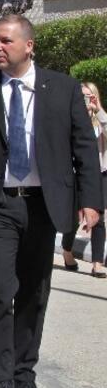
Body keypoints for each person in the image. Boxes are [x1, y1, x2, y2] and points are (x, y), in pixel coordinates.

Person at [0, 14, 101, 388]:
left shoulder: (62, 89)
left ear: (28, 46)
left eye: (5, 41)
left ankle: (23, 374)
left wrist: (91, 200)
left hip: (43, 204)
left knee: (35, 291)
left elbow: (84, 148)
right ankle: (1, 380)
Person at [60, 82, 107, 278]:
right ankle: (67, 250)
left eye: (89, 96)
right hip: (75, 173)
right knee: (73, 218)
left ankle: (97, 263)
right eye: (82, 97)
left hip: (99, 174)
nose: (86, 100)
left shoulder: (100, 120)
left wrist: (99, 111)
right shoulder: (70, 118)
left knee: (99, 218)